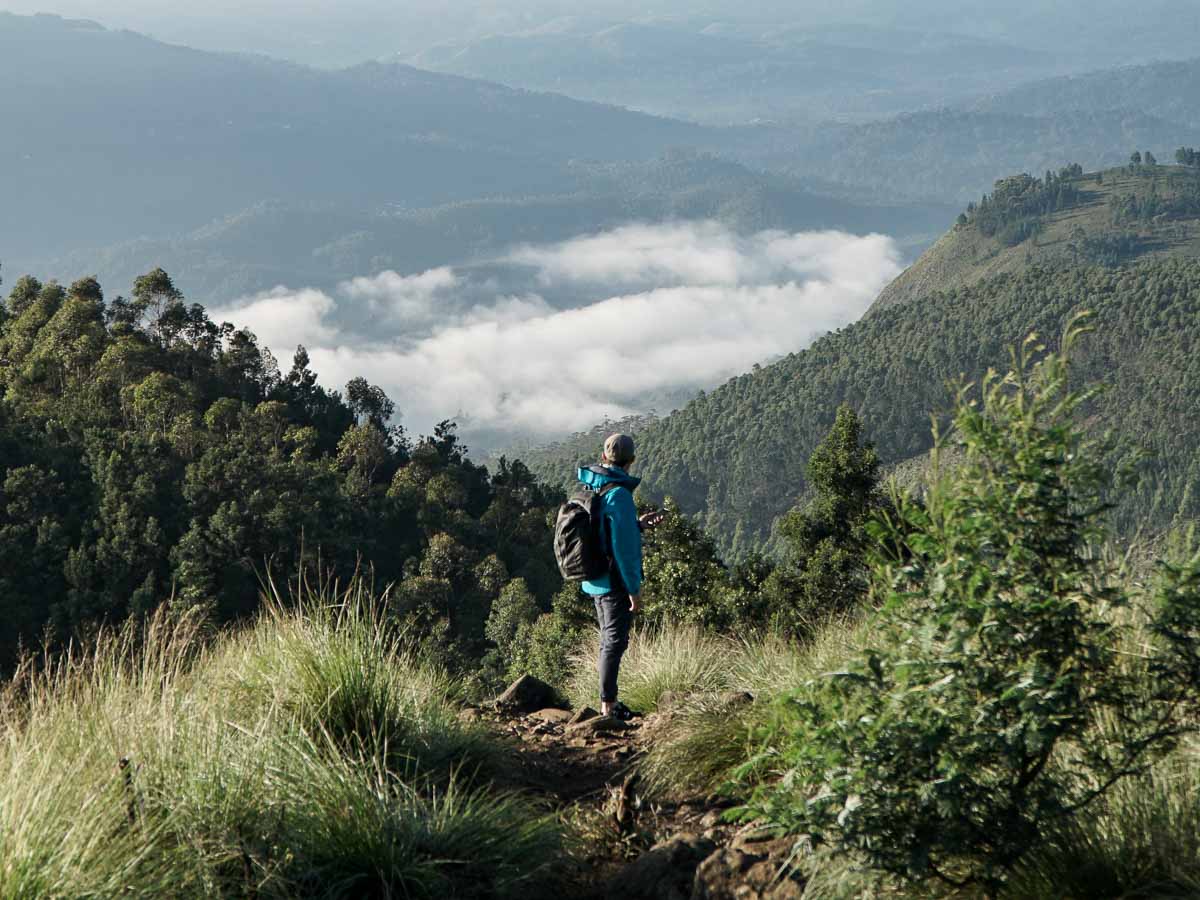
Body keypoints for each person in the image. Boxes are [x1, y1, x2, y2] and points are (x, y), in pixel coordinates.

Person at [576, 433, 664, 720]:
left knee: (607, 639)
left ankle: (608, 703)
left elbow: (607, 531)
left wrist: (637, 525)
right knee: (615, 641)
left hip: (594, 578)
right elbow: (624, 550)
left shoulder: (593, 485)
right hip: (613, 581)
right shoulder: (620, 495)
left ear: (604, 458)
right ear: (632, 461)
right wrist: (633, 589)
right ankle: (608, 708)